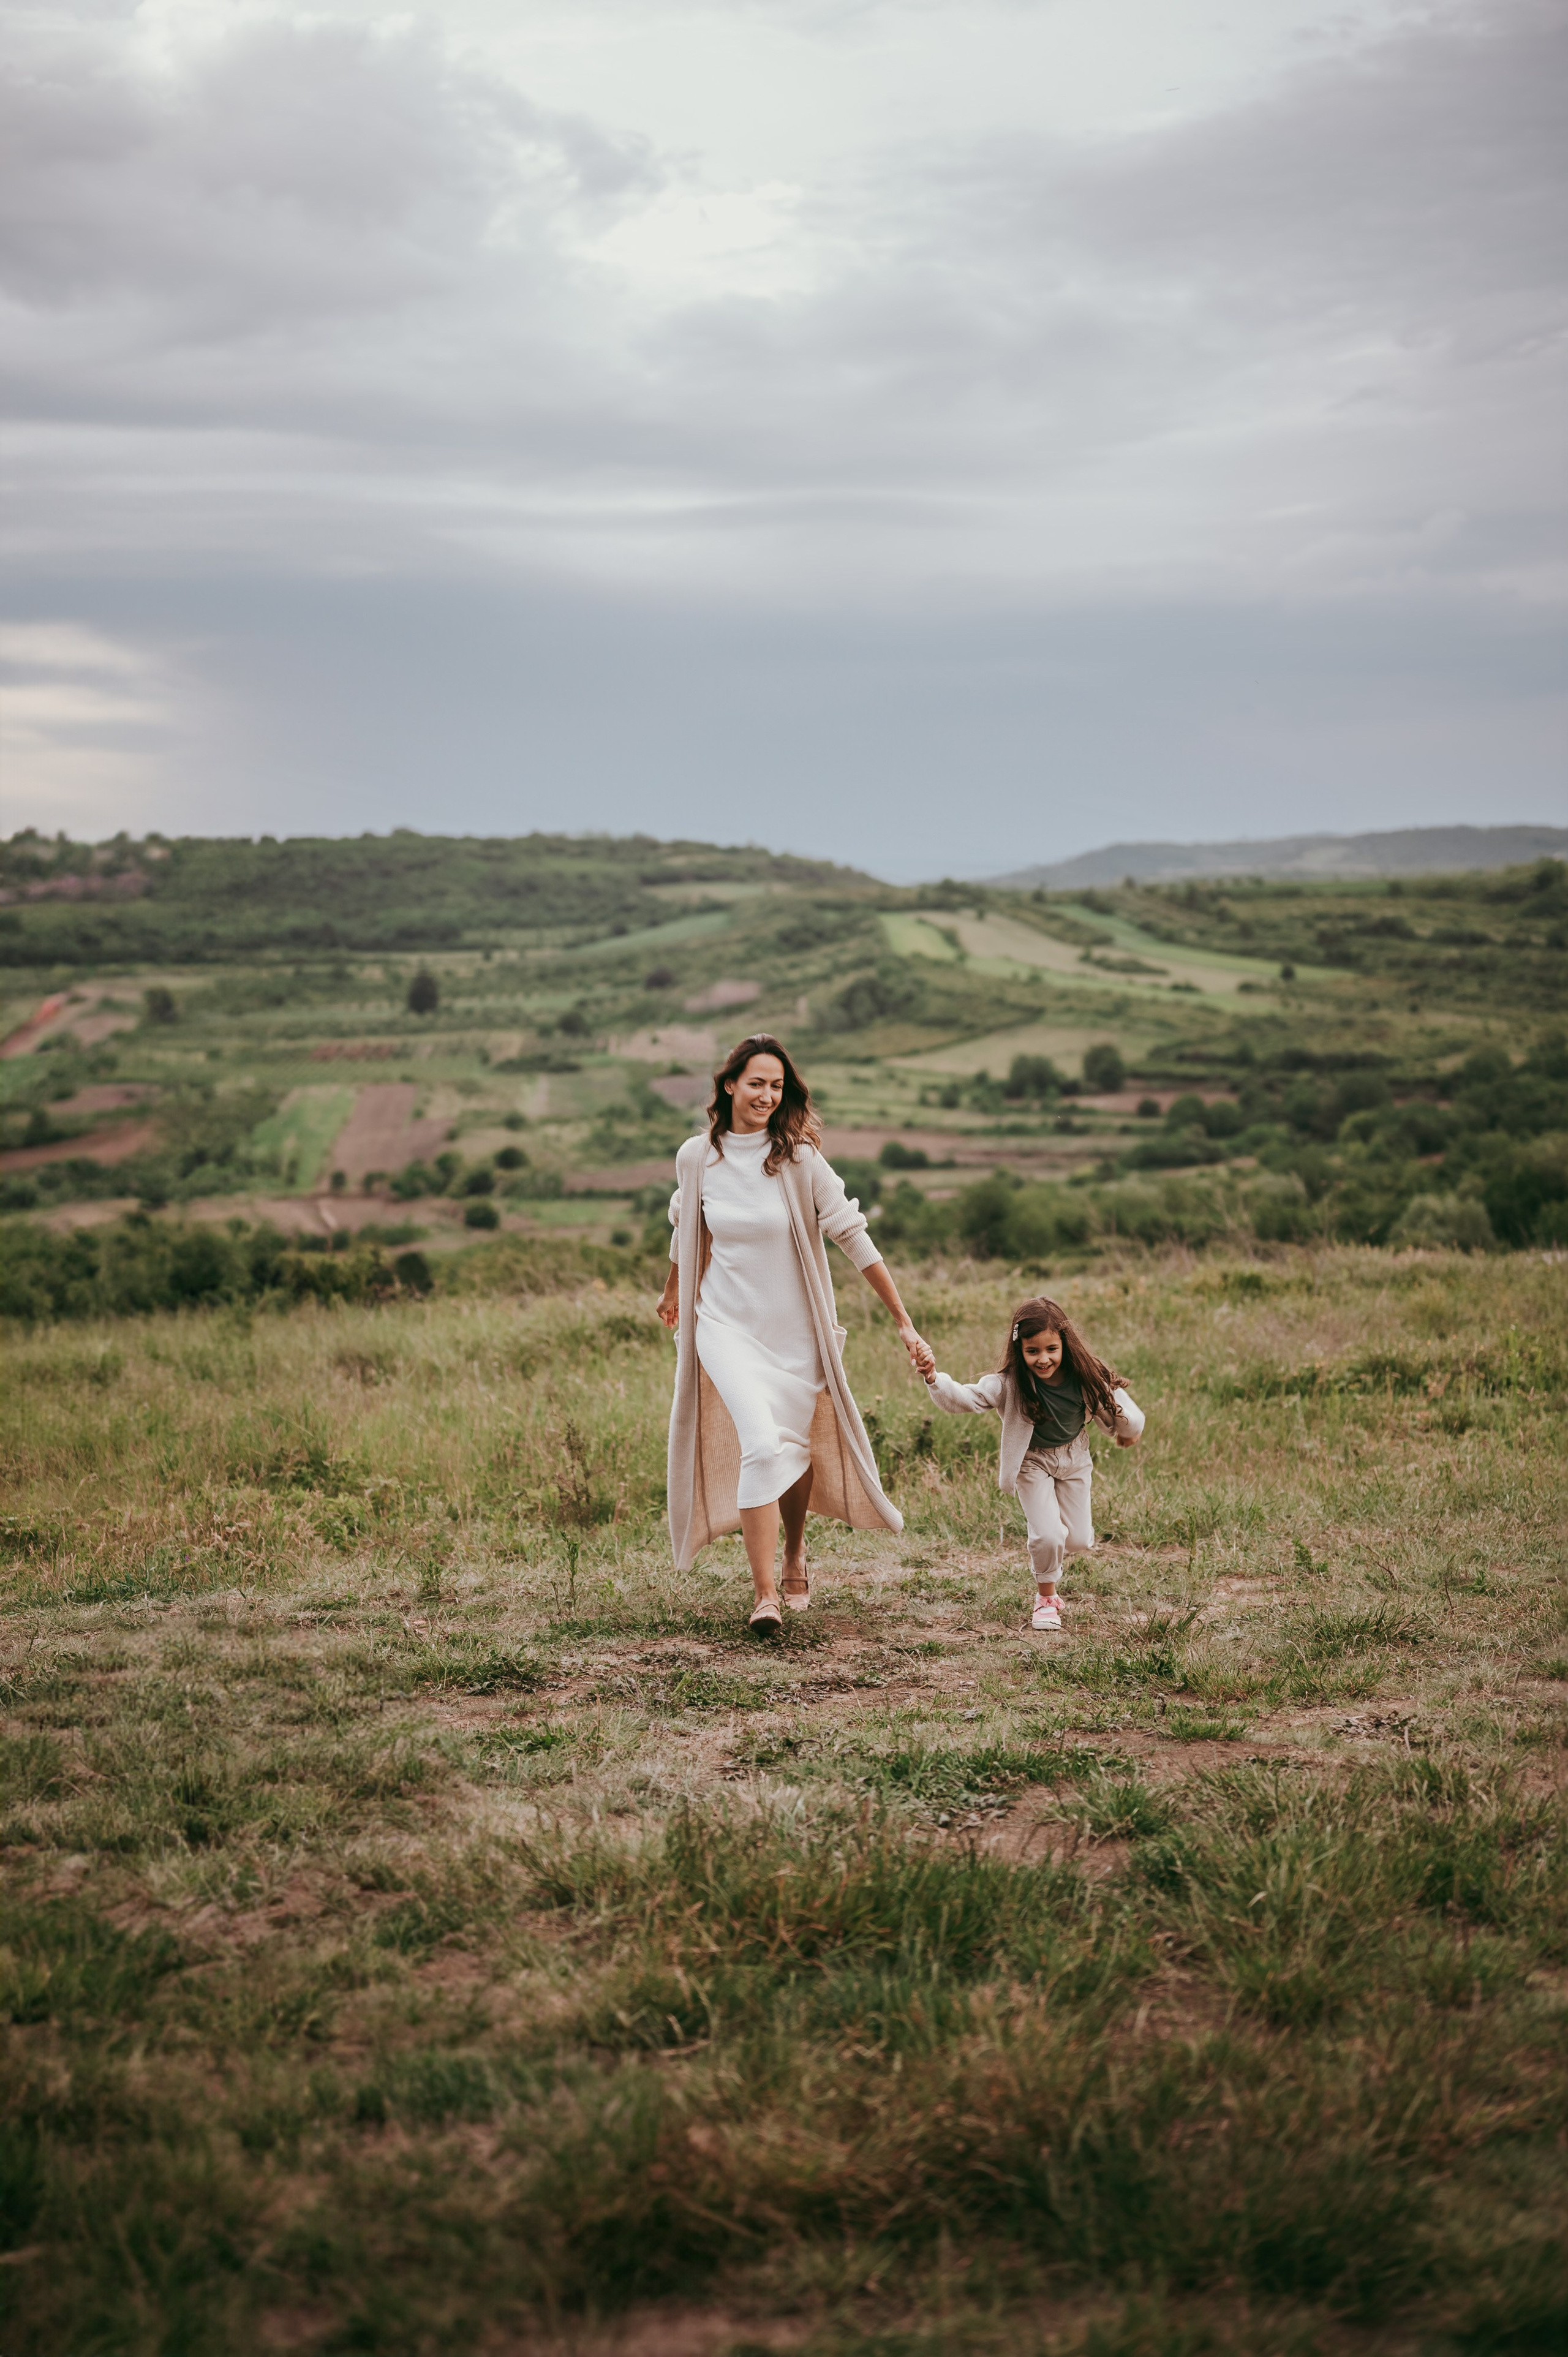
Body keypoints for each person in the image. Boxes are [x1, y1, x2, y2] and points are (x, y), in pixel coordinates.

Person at [658, 1033, 935, 1632]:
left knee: (795, 1442)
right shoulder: (695, 1157)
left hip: (795, 1333)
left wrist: (902, 1319)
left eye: (776, 1086)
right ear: (729, 1084)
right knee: (761, 1441)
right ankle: (764, 1596)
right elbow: (686, 1222)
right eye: (755, 1082)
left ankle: (793, 1553)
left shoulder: (798, 1161)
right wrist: (670, 1287)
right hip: (725, 1324)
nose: (765, 1094)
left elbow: (852, 1234)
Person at [923, 1295, 1144, 1631]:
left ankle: (1049, 1536)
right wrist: (934, 1378)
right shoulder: (1009, 1383)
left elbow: (1118, 1404)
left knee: (1078, 1540)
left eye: (1051, 1349)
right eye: (1033, 1351)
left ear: (1064, 1344)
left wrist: (1126, 1430)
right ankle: (1046, 1600)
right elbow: (966, 1399)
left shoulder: (1085, 1374)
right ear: (1020, 1349)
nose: (1044, 1359)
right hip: (1032, 1462)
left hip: (1075, 1458)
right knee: (1050, 1535)